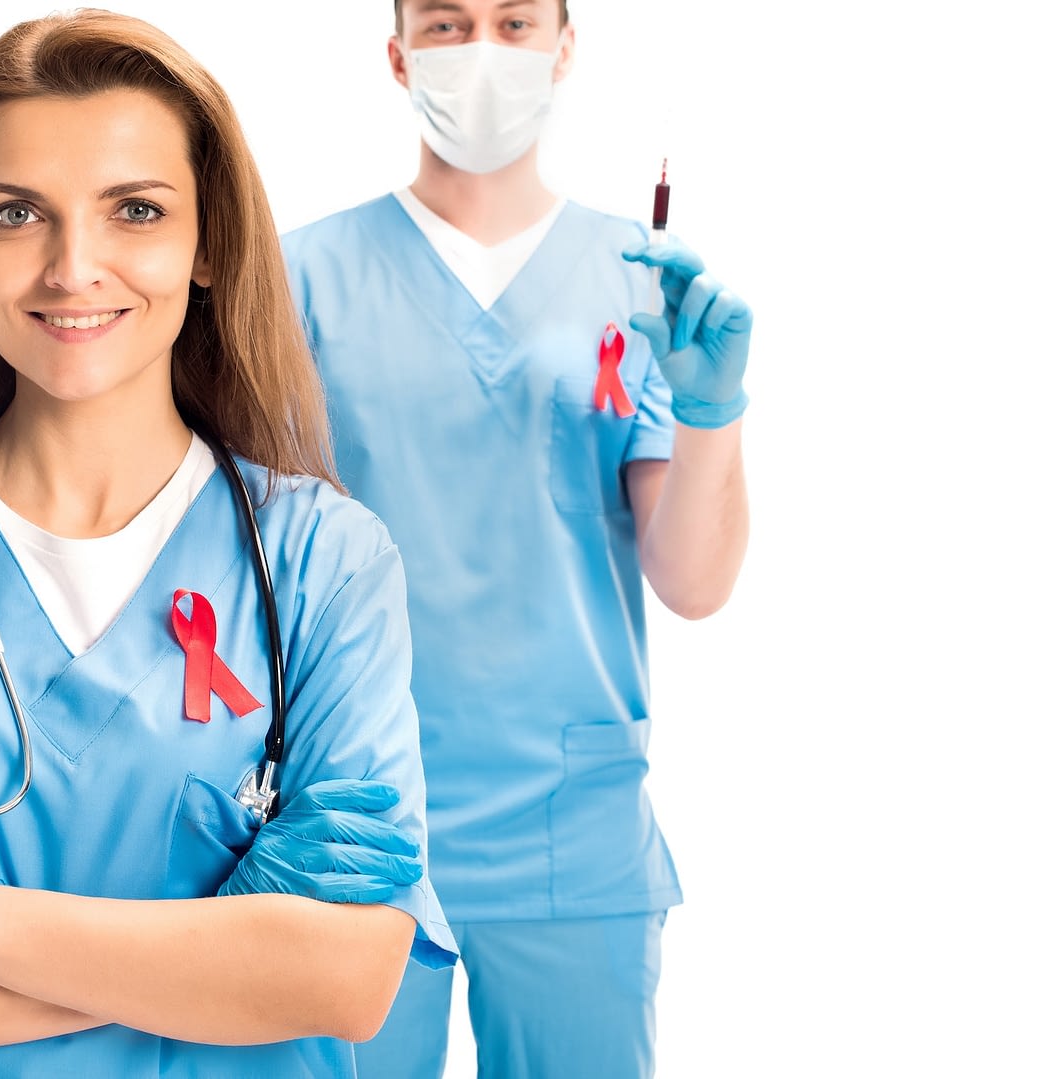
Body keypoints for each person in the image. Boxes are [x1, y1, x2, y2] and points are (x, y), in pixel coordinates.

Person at [0, 10, 456, 1076]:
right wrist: (210, 966)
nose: (73, 265)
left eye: (135, 210)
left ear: (207, 248)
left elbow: (344, 978)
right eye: (17, 214)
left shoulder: (325, 558)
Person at [281, 1, 753, 1076]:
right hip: (357, 822)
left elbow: (693, 579)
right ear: (399, 56)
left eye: (513, 21)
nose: (482, 52)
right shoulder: (299, 276)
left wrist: (711, 412)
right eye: (447, 25)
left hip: (570, 831)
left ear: (564, 46)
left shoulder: (644, 281)